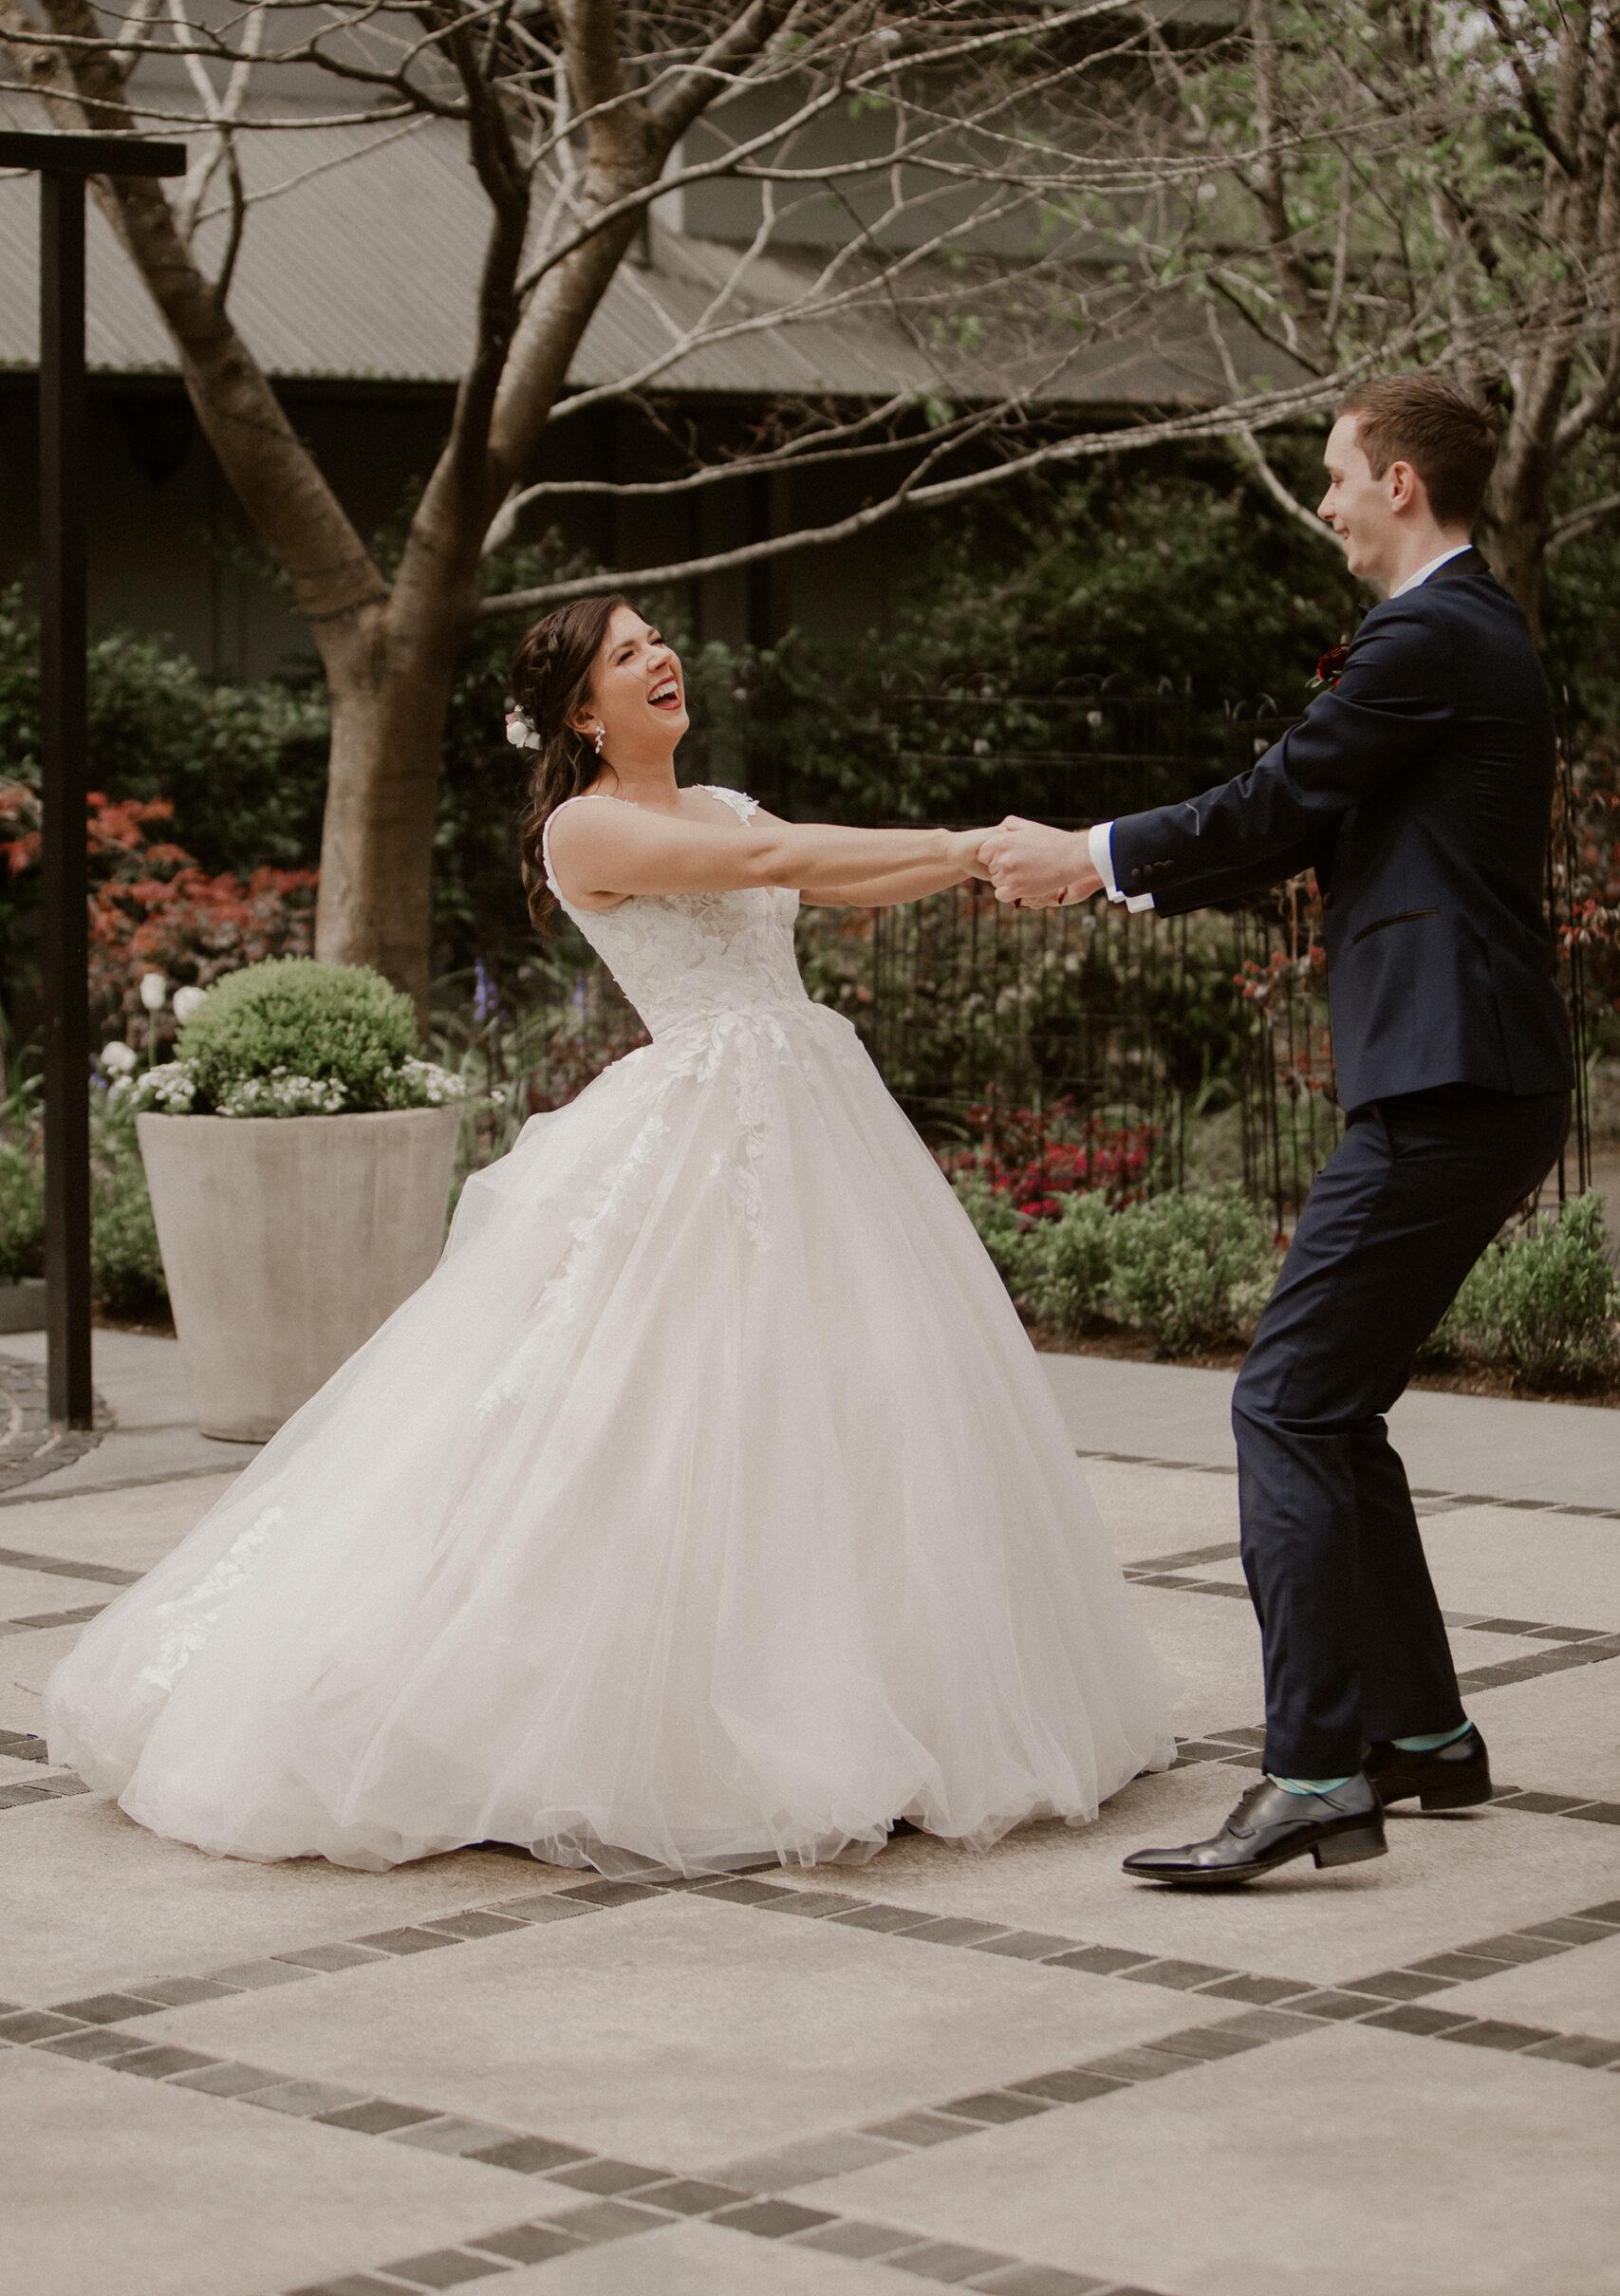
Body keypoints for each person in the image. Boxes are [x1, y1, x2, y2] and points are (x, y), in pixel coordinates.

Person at [46, 596, 1172, 1878]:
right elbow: (772, 866)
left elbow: (817, 869)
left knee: (853, 1396)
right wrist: (968, 833)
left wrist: (972, 865)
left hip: (811, 1111)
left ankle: (891, 1699)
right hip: (702, 1119)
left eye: (658, 641)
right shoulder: (585, 825)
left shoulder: (730, 803)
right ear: (583, 711)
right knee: (656, 1410)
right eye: (626, 655)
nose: (659, 659)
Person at [980, 373, 1573, 1887]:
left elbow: (1281, 792)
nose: (1322, 503)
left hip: (1452, 1084)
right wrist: (1111, 876)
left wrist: (1092, 852)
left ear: (1399, 484)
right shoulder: (1462, 630)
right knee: (1333, 1401)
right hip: (1468, 1076)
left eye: (1334, 476)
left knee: (1286, 1405)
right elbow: (1305, 821)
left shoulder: (1436, 632)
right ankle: (1424, 1739)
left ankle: (1315, 1771)